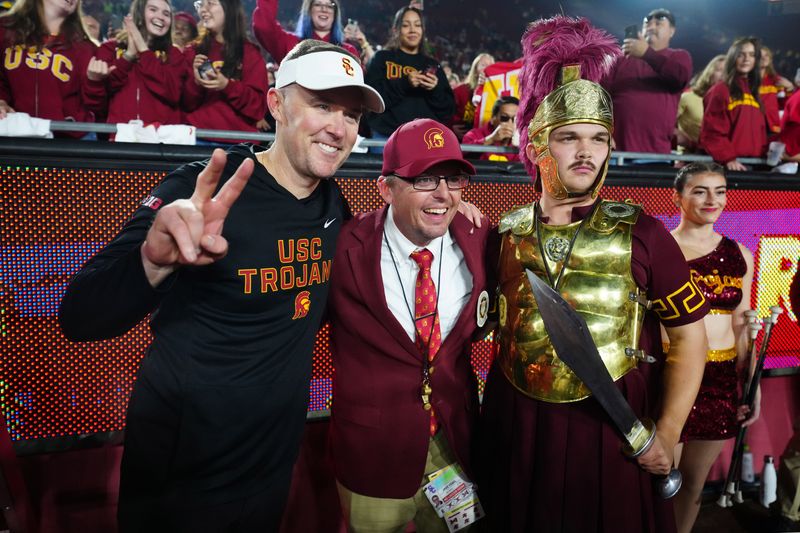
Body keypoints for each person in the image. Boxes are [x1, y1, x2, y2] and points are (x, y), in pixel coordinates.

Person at [58, 40, 385, 531]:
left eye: (352, 115)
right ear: (277, 105)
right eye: (321, 105)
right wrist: (153, 260)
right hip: (180, 474)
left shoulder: (332, 206)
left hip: (270, 470)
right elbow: (80, 314)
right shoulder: (204, 187)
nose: (339, 129)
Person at [477, 16, 709, 532]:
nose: (586, 152)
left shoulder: (644, 233)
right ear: (538, 145)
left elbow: (690, 340)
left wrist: (668, 434)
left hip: (613, 434)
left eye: (599, 138)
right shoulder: (503, 234)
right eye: (569, 138)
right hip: (520, 429)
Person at [328, 118, 488, 532]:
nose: (443, 195)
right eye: (424, 179)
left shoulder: (479, 236)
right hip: (372, 452)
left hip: (455, 447)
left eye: (452, 180)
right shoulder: (344, 246)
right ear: (386, 188)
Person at [668, 162, 757, 533]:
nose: (712, 200)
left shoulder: (739, 254)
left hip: (720, 380)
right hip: (671, 374)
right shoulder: (663, 248)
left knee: (692, 486)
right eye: (701, 191)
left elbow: (742, 324)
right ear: (678, 196)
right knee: (663, 482)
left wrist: (753, 387)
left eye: (720, 191)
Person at [602, 8, 692, 154]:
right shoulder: (619, 59)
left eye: (659, 23)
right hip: (615, 149)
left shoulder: (679, 56)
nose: (651, 26)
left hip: (655, 152)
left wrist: (646, 54)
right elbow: (601, 97)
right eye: (647, 23)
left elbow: (679, 77)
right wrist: (601, 130)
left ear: (672, 31)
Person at [0, 0, 97, 136]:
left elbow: (95, 104)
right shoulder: (5, 30)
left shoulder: (85, 48)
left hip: (63, 144)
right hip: (12, 139)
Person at [84, 0, 186, 127]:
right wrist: (128, 56)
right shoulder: (109, 49)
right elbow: (97, 102)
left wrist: (143, 49)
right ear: (139, 14)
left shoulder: (174, 54)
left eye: (166, 14)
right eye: (153, 10)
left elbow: (172, 93)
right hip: (120, 137)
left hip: (161, 140)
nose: (160, 17)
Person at [365, 6, 454, 150]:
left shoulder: (433, 65)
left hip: (424, 140)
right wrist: (404, 83)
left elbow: (448, 110)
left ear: (423, 30)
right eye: (406, 25)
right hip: (386, 138)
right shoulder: (382, 58)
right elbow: (371, 100)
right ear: (396, 30)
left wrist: (435, 90)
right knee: (384, 174)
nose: (413, 30)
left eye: (417, 25)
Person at [183, 0, 268, 143]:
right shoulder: (192, 52)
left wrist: (227, 86)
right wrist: (196, 83)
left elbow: (258, 107)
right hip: (198, 137)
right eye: (200, 5)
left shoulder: (249, 52)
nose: (203, 10)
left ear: (229, 8)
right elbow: (185, 105)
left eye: (209, 3)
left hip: (238, 142)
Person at [700, 37, 768, 171]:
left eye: (752, 55)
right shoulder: (721, 90)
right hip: (729, 166)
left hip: (753, 165)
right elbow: (712, 132)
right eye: (741, 54)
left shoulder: (754, 94)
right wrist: (728, 158)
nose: (746, 59)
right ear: (733, 58)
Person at [252, 0, 357, 65]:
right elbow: (264, 26)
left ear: (335, 13)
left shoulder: (348, 51)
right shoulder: (290, 44)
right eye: (318, 4)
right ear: (309, 11)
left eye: (330, 5)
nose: (324, 9)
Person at [675, 55, 725, 154]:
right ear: (710, 73)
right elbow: (664, 124)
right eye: (719, 70)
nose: (724, 76)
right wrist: (685, 140)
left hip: (720, 159)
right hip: (689, 158)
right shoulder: (688, 97)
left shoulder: (732, 102)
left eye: (728, 72)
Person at [462, 95, 519, 161]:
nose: (510, 123)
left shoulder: (523, 139)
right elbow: (463, 154)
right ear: (492, 118)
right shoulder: (473, 135)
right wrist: (491, 139)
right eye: (504, 118)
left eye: (515, 119)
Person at [451, 52, 494, 139]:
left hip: (485, 140)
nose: (487, 69)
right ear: (475, 70)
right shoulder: (459, 91)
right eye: (483, 65)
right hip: (461, 139)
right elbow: (446, 114)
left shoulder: (497, 95)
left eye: (491, 66)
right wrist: (451, 128)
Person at [759, 45, 795, 136]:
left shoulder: (776, 80)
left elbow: (784, 105)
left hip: (772, 127)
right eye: (760, 55)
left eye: (767, 55)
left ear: (770, 59)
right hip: (751, 126)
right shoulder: (744, 80)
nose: (764, 58)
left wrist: (789, 89)